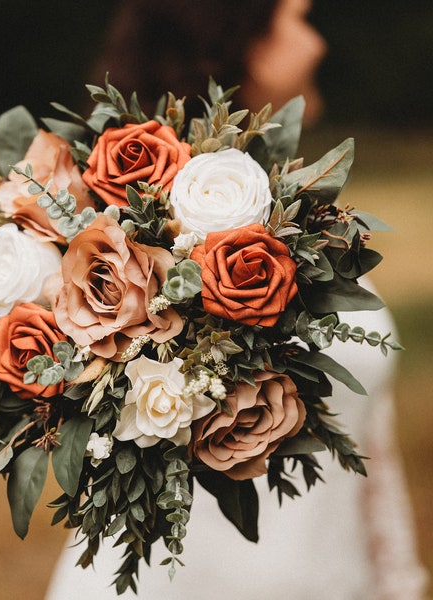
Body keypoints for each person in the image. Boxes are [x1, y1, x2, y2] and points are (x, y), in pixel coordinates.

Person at [45, 1, 429, 598]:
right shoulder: (139, 251)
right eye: (297, 20)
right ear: (235, 41)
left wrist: (398, 579)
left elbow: (367, 450)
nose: (317, 45)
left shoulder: (304, 232)